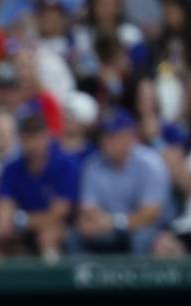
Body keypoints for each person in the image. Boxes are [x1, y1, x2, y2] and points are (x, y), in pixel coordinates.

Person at [73, 108, 170, 255]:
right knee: (76, 236)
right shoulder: (93, 164)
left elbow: (150, 214)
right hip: (107, 228)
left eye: (112, 136)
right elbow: (88, 209)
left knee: (142, 238)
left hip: (152, 228)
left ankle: (138, 278)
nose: (106, 142)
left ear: (129, 136)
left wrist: (115, 222)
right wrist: (94, 223)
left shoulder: (151, 163)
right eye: (104, 136)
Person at [0, 114, 78, 259]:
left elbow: (58, 214)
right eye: (26, 139)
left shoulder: (65, 165)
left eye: (36, 138)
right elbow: (3, 206)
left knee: (48, 235)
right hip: (21, 226)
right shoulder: (12, 168)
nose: (32, 144)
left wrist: (21, 221)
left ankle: (52, 280)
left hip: (59, 226)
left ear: (47, 136)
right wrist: (4, 225)